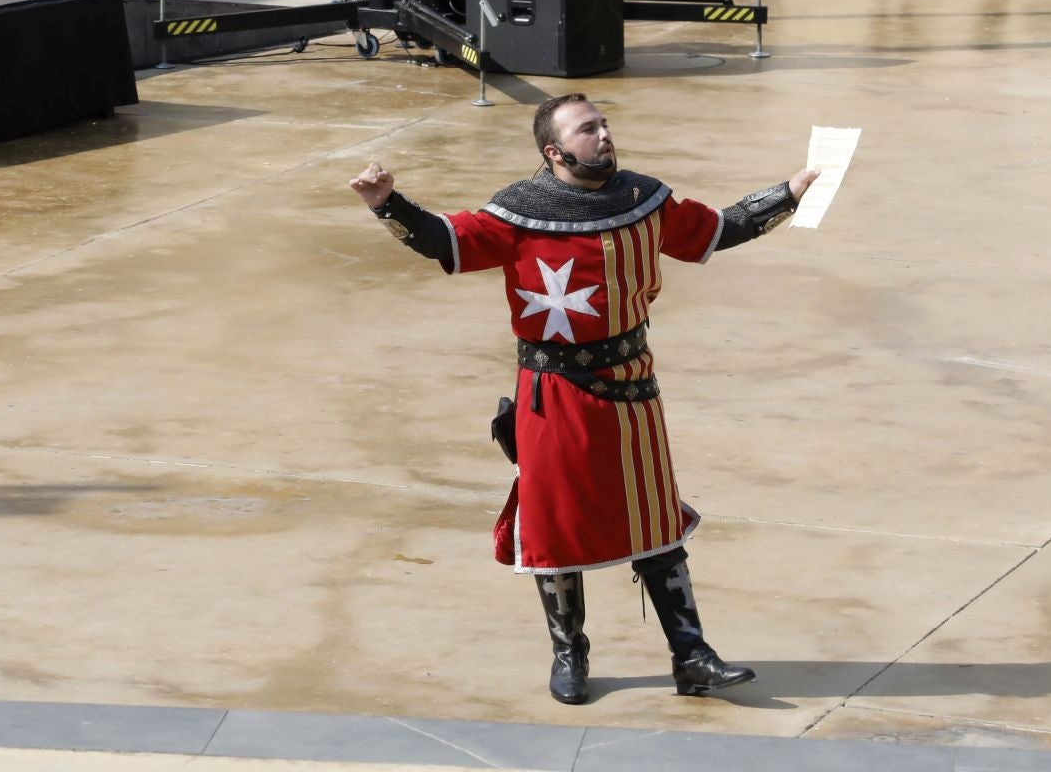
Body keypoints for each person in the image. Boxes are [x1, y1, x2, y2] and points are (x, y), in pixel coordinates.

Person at [348, 94, 816, 704]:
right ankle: (571, 652)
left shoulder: (644, 200)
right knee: (554, 523)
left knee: (653, 516)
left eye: (603, 123)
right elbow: (444, 239)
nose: (603, 134)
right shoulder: (519, 213)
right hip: (552, 393)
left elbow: (717, 230)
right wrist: (389, 204)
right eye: (587, 128)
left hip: (631, 388)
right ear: (554, 150)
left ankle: (692, 656)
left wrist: (788, 191)